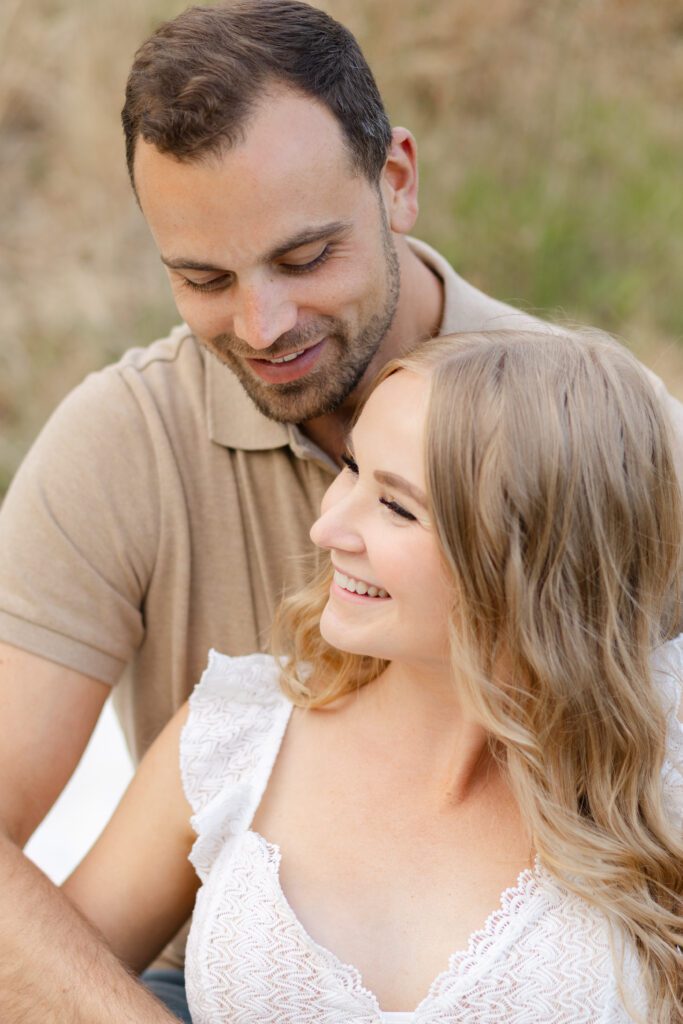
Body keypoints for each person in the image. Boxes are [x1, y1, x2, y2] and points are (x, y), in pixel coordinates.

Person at [0, 2, 682, 1021]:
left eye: (306, 257)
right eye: (203, 278)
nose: (261, 327)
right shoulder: (123, 441)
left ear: (395, 180)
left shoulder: (599, 438)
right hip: (198, 980)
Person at [61, 330, 683, 1023]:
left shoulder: (664, 760)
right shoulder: (235, 736)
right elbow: (38, 983)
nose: (327, 528)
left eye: (396, 506)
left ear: (532, 558)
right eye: (351, 468)